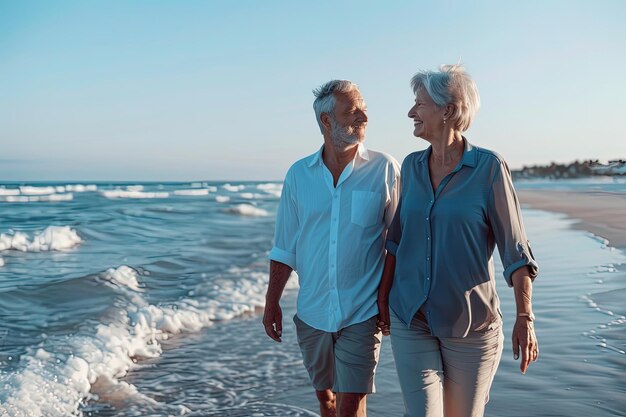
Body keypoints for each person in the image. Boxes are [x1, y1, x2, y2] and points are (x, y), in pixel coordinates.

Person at [377, 65, 539, 417]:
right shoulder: (413, 167)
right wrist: (382, 297)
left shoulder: (489, 168)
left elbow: (515, 250)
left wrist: (525, 316)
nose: (410, 113)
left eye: (419, 104)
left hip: (471, 325)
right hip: (410, 316)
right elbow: (396, 239)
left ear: (447, 110)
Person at [263, 79, 400, 417]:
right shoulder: (299, 175)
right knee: (327, 401)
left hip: (363, 311)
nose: (364, 117)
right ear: (327, 121)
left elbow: (398, 242)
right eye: (353, 111)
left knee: (351, 402)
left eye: (364, 108)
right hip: (313, 312)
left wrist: (385, 298)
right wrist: (271, 302)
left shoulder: (384, 169)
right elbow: (285, 246)